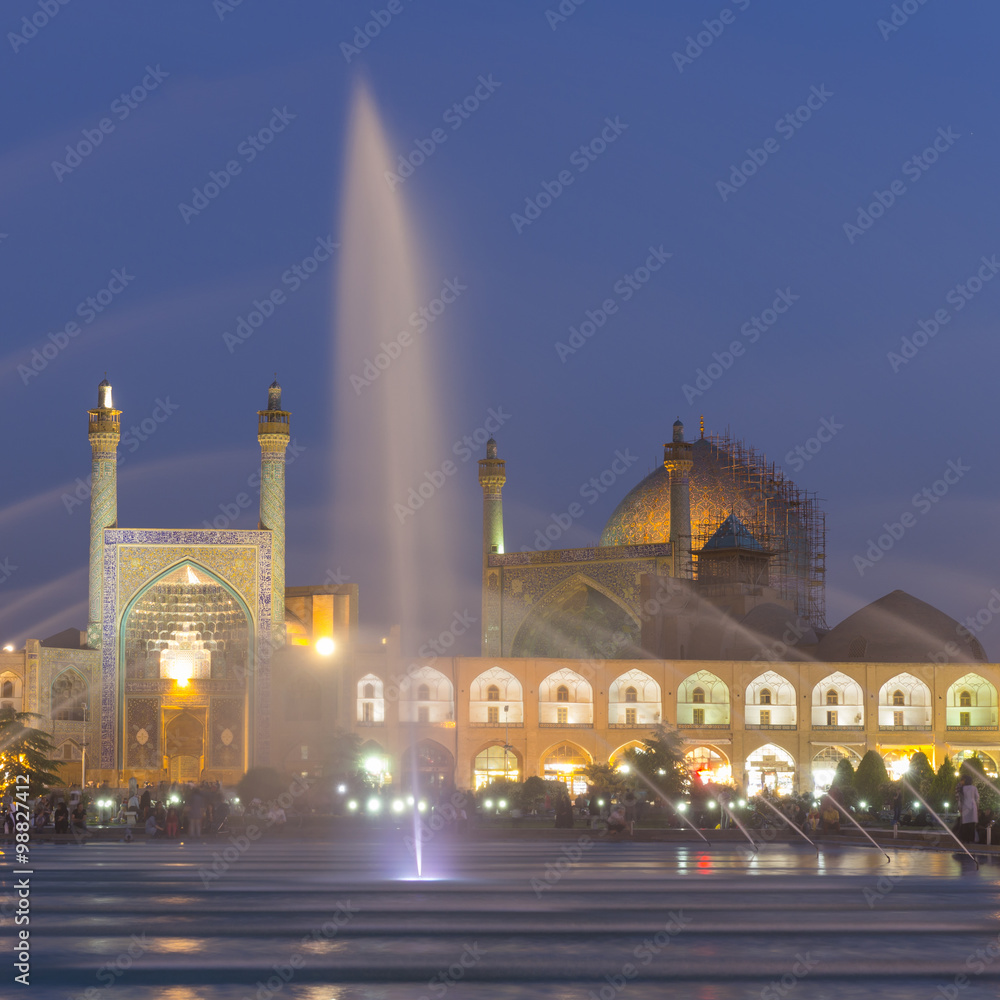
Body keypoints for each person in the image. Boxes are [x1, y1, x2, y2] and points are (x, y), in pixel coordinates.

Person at [958, 776, 980, 844]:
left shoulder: (962, 788)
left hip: (965, 807)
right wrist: (977, 806)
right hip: (972, 807)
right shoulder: (974, 788)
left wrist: (960, 808)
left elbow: (960, 799)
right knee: (972, 824)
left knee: (965, 824)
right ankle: (971, 839)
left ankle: (965, 839)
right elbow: (977, 797)